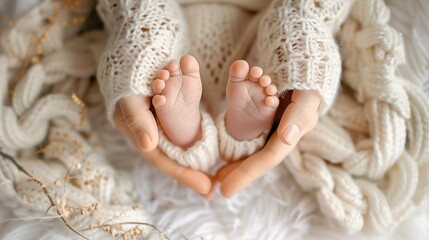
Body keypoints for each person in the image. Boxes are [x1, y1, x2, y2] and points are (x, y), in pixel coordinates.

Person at [98, 0, 352, 198]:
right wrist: (140, 29)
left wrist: (302, 36)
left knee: (275, 64)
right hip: (167, 24)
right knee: (158, 72)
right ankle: (196, 129)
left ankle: (214, 131)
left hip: (263, 27)